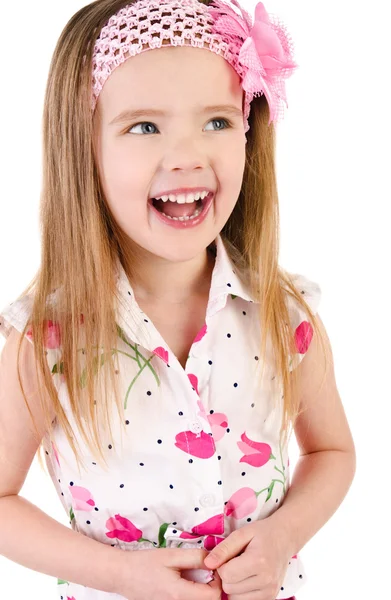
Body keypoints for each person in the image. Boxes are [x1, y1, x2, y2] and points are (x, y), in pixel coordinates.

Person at [0, 1, 356, 599]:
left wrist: (283, 534)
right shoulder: (45, 339)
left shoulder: (282, 313)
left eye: (216, 121)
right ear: (84, 148)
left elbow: (333, 451)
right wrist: (121, 574)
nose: (190, 155)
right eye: (144, 126)